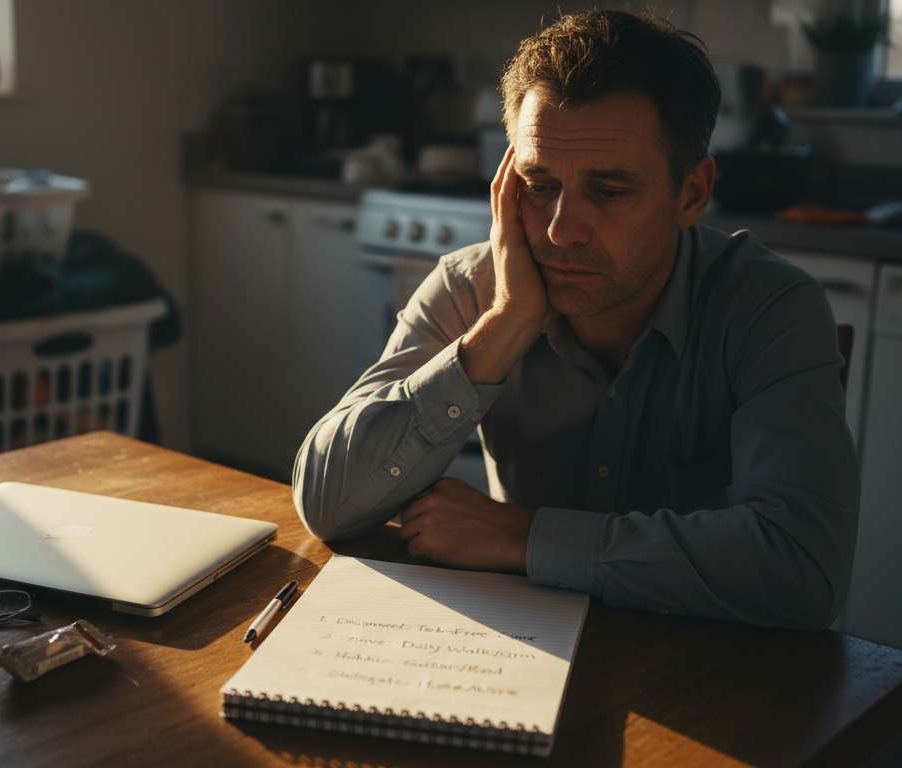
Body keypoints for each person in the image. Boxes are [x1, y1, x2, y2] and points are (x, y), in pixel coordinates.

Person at [292, 9, 857, 630]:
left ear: (692, 193)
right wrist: (506, 323)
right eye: (538, 185)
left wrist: (522, 536)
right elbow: (328, 503)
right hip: (522, 644)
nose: (561, 231)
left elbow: (802, 570)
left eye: (609, 192)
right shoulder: (472, 287)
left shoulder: (770, 307)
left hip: (707, 664)